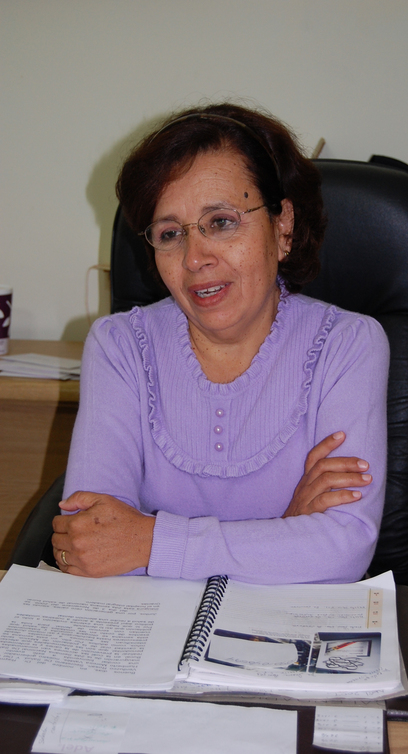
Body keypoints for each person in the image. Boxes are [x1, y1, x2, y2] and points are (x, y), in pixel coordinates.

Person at [52, 103, 390, 584]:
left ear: (283, 225)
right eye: (170, 233)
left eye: (222, 222)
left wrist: (147, 542)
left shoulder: (347, 345)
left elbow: (343, 551)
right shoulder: (120, 347)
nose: (195, 258)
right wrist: (285, 532)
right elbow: (92, 545)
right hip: (149, 630)